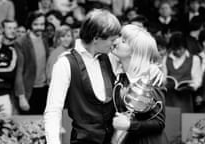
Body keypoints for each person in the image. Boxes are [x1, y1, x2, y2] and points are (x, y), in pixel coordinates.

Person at [44, 9, 121, 144]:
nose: (115, 43)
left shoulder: (110, 57)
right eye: (112, 39)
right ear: (96, 38)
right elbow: (53, 110)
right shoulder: (65, 63)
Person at [110, 24, 168, 144]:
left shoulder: (151, 78)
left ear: (135, 51)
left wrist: (130, 125)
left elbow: (159, 122)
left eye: (124, 41)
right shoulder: (121, 76)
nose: (117, 41)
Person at [14, 11, 49, 114]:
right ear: (30, 24)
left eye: (42, 24)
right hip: (28, 91)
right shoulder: (21, 42)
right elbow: (19, 71)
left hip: (44, 89)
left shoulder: (45, 39)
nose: (39, 27)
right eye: (36, 24)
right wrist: (21, 96)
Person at [0, 23, 17, 117]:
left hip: (3, 95)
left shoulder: (10, 51)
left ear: (3, 35)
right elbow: (5, 71)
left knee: (5, 127)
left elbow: (11, 73)